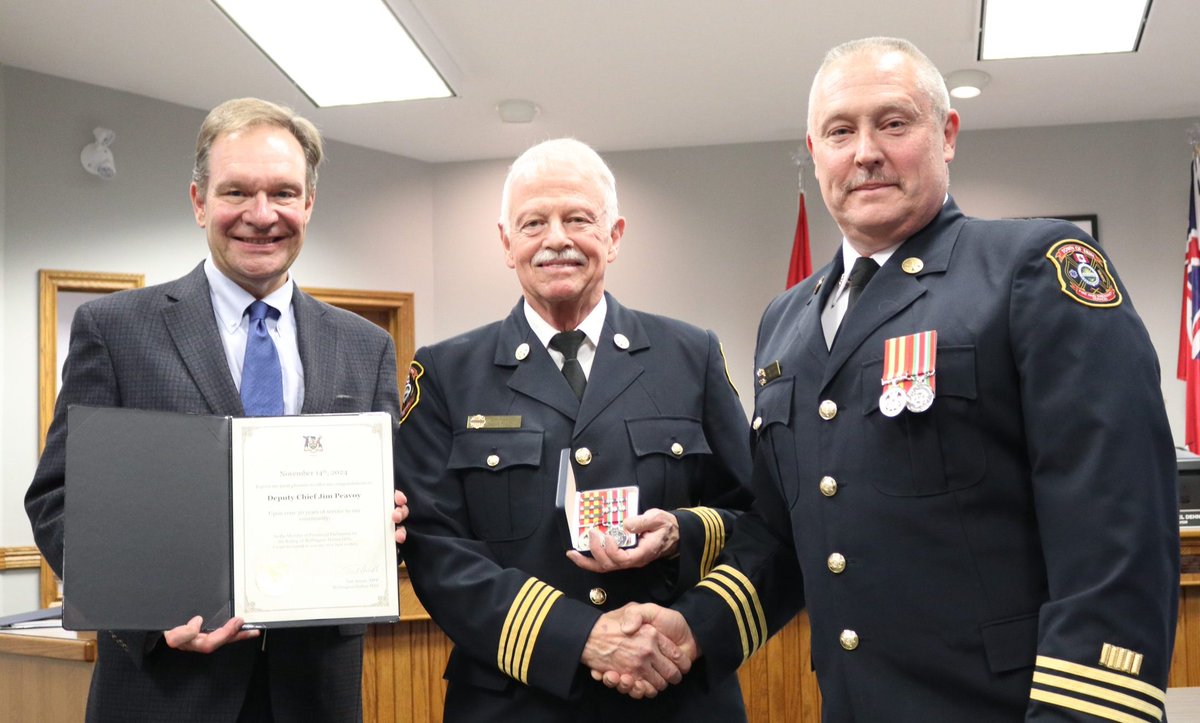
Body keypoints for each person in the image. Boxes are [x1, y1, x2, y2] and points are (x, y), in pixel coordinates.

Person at [602, 37, 1180, 722]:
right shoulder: (785, 322)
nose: (866, 151)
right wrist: (693, 626)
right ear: (815, 153)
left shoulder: (1033, 269)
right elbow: (785, 538)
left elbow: (1115, 536)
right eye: (840, 131)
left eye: (894, 122)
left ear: (947, 133)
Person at [25, 97, 408, 722]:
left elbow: (392, 502)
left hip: (314, 692)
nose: (262, 216)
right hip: (165, 689)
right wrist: (147, 619)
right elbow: (58, 498)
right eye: (237, 193)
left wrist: (388, 521)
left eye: (284, 192)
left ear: (309, 202)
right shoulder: (117, 329)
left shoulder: (364, 346)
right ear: (199, 201)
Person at [395, 138, 753, 722]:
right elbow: (437, 550)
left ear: (613, 236)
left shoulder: (691, 355)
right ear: (507, 245)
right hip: (515, 703)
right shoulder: (444, 373)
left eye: (578, 219)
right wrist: (580, 636)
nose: (556, 238)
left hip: (676, 693)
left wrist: (681, 535)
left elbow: (758, 515)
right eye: (533, 222)